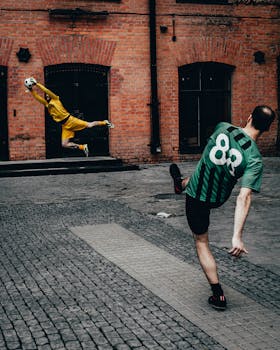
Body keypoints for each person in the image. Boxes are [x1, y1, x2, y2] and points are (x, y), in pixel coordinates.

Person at [169, 105, 275, 310]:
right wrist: (236, 235)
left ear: (249, 117)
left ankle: (218, 295)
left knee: (201, 242)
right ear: (268, 128)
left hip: (197, 197)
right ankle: (180, 182)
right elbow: (244, 197)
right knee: (201, 175)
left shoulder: (223, 127)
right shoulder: (254, 159)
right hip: (218, 197)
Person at [24, 77, 114, 156]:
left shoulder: (55, 99)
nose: (46, 95)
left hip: (70, 120)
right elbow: (38, 97)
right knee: (64, 144)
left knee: (89, 125)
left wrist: (37, 84)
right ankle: (82, 147)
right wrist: (31, 90)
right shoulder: (48, 105)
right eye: (46, 96)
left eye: (48, 95)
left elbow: (46, 90)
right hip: (65, 126)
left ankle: (105, 122)